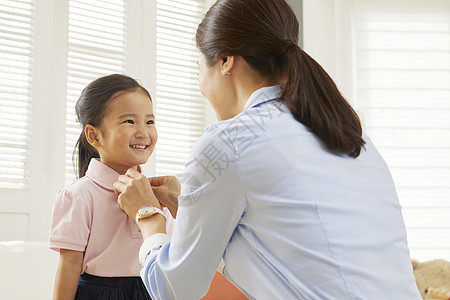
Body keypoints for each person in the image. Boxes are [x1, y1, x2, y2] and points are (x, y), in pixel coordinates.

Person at [113, 0, 422, 299]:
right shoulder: (352, 137)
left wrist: (148, 214)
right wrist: (188, 206)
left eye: (199, 70)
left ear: (224, 61)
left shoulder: (227, 142)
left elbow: (174, 289)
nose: (201, 86)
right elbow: (284, 247)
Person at [49, 74, 158, 299]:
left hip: (151, 290)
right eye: (129, 121)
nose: (143, 132)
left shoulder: (156, 193)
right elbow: (68, 267)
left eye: (149, 121)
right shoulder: (78, 196)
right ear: (94, 135)